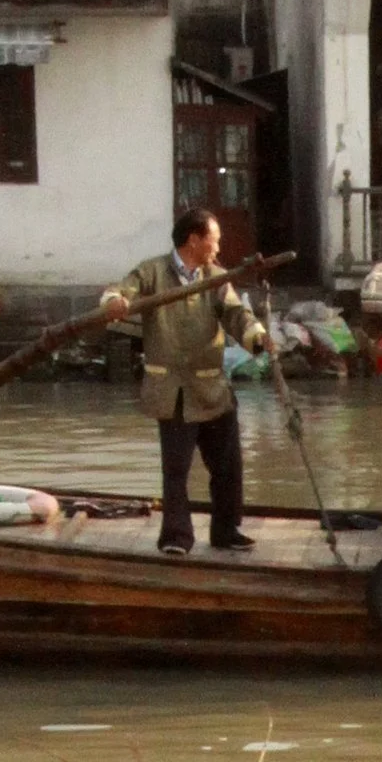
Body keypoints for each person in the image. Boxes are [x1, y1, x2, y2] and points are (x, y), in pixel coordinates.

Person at [96, 207, 267, 556]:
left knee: (228, 466)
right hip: (171, 391)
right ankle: (176, 536)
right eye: (214, 241)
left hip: (212, 389)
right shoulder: (152, 272)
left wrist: (256, 336)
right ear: (194, 240)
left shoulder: (216, 277)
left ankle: (226, 529)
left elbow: (237, 314)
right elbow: (121, 290)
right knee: (177, 471)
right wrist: (115, 301)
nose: (218, 249)